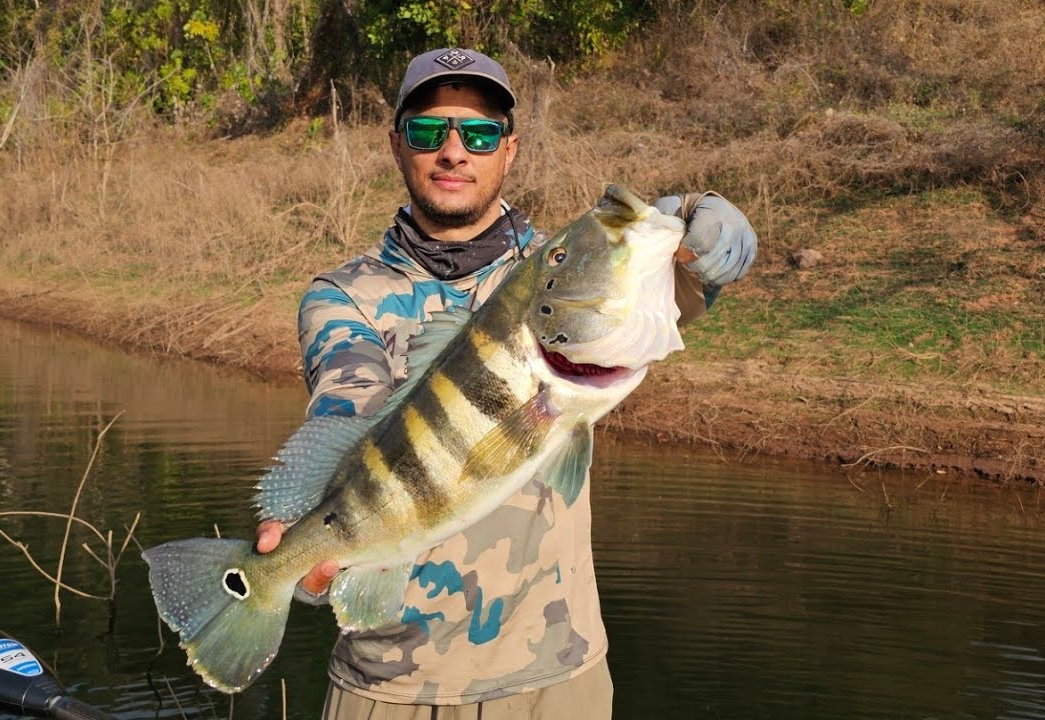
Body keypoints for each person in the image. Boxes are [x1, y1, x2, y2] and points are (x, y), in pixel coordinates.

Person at [255, 47, 757, 719]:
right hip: (387, 688)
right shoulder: (344, 295)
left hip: (557, 680)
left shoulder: (558, 267)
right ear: (398, 145)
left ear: (509, 149)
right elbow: (346, 409)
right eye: (429, 131)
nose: (454, 151)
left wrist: (697, 237)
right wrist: (300, 536)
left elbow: (657, 297)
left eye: (480, 133)